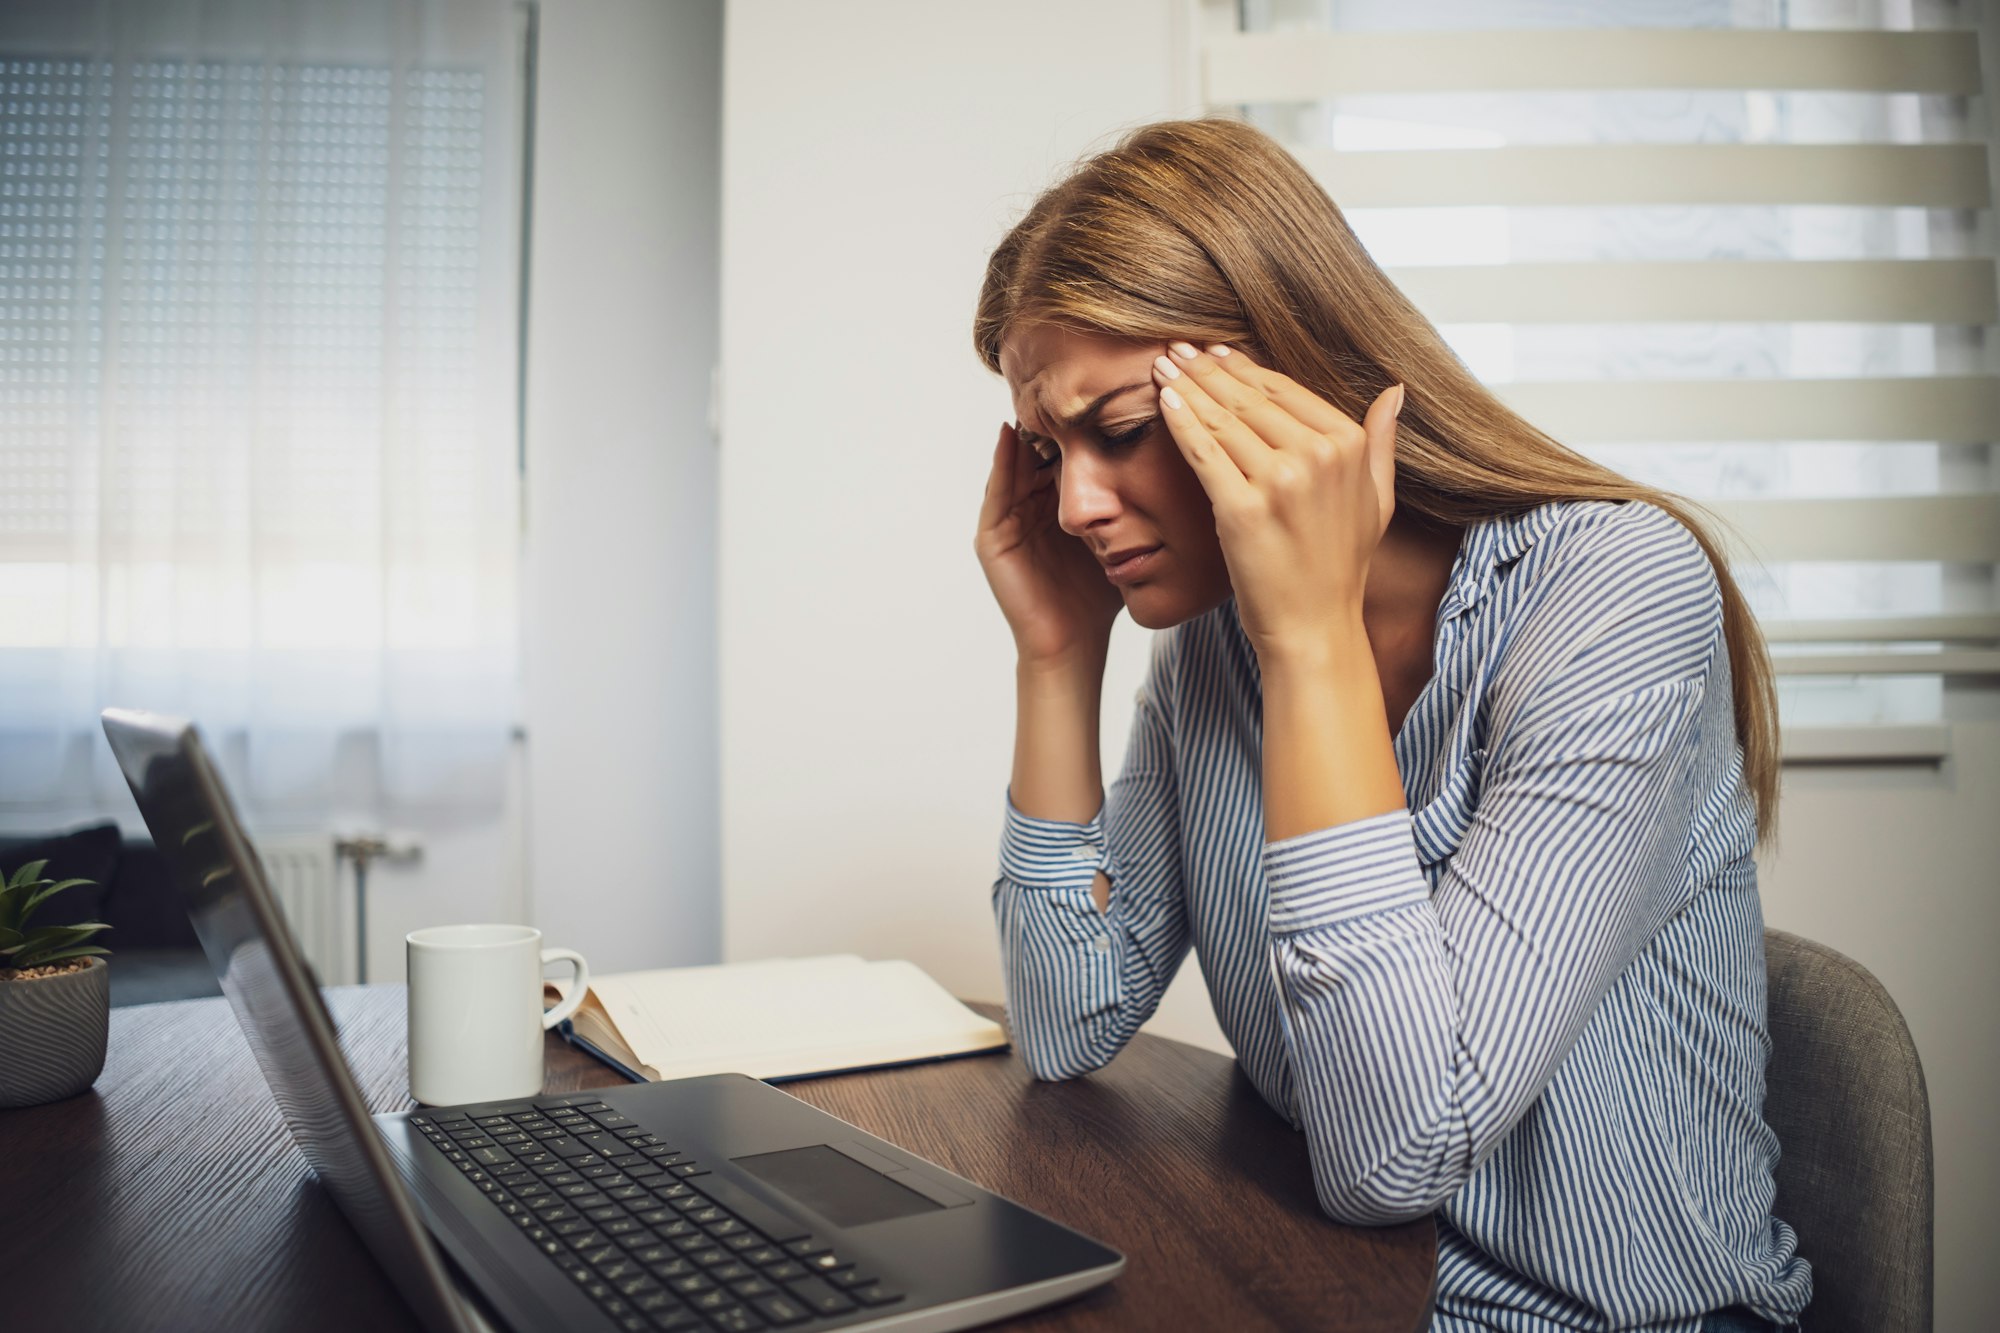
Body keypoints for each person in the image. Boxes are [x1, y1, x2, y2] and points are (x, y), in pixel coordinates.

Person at [971, 119, 1811, 1333]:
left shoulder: (1615, 594)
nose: (1074, 505)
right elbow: (1066, 1022)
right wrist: (1055, 658)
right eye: (1049, 453)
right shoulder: (1208, 644)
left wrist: (1310, 641)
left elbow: (1394, 1154)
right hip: (1338, 1295)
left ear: (1296, 382)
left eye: (1121, 430)